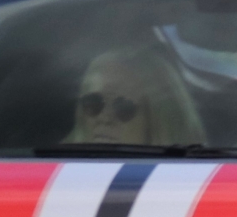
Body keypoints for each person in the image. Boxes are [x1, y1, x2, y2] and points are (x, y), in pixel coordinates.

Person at [65, 45, 204, 147]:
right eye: (93, 103)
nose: (104, 118)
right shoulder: (52, 170)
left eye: (122, 107)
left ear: (160, 121)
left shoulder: (187, 182)